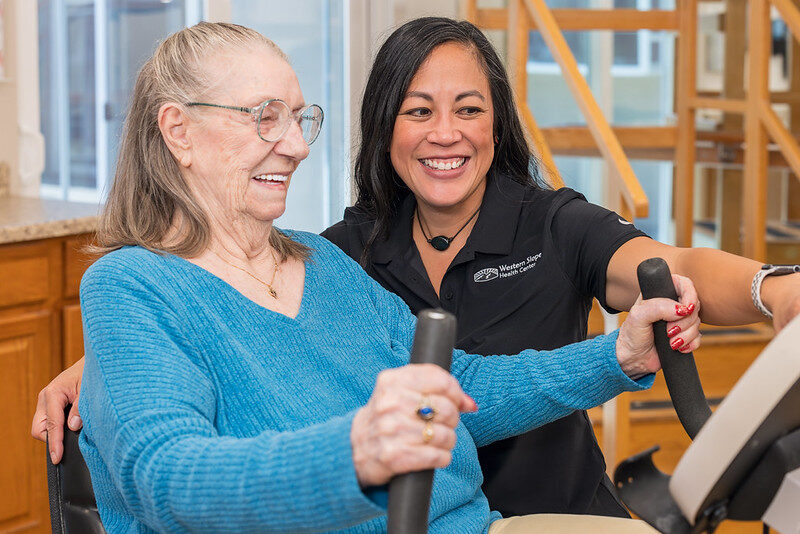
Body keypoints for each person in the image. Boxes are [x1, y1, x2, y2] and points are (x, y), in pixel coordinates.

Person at [33, 15, 760, 520]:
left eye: (299, 118)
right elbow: (168, 477)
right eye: (264, 117)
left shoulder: (324, 266)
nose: (293, 145)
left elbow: (462, 386)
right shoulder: (135, 287)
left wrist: (616, 354)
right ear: (178, 131)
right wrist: (355, 452)